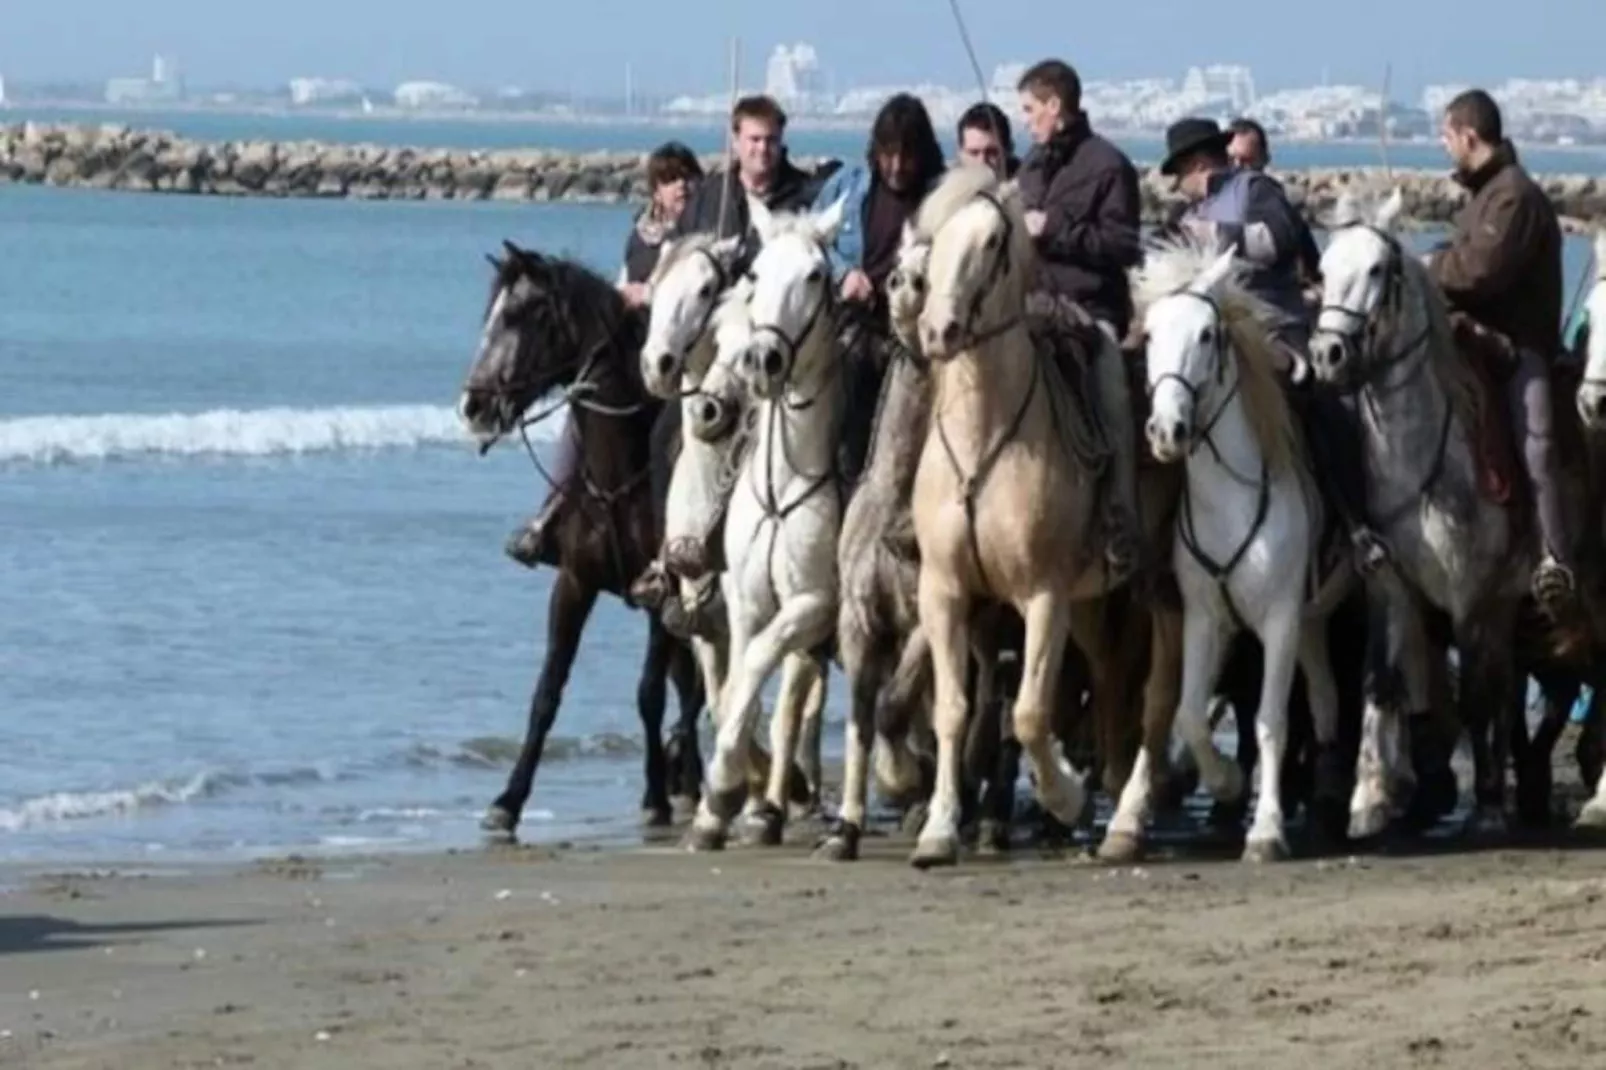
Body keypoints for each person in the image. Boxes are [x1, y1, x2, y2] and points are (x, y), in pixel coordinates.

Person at [1162, 116, 1387, 573]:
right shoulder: (1182, 215)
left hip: (1273, 330)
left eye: (1179, 175)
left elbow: (1279, 239)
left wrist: (1217, 235)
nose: (1177, 188)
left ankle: (1354, 523)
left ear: (1197, 164)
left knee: (1324, 409)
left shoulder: (1252, 190)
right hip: (1210, 339)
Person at [504, 140, 704, 569]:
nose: (680, 187)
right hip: (633, 348)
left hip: (679, 356)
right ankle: (550, 515)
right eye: (670, 180)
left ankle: (671, 535)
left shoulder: (699, 235)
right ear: (655, 189)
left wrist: (648, 293)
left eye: (687, 178)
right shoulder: (640, 234)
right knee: (583, 411)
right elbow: (622, 282)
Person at [1426, 89, 1573, 609]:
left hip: (1519, 347)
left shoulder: (1514, 196)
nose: (1444, 148)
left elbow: (1477, 272)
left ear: (1468, 136)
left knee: (1538, 442)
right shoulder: (1484, 194)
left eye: (1446, 137)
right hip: (1472, 339)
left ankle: (1555, 557)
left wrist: (1427, 267)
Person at [1014, 59, 1144, 578]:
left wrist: (1054, 230)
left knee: (1112, 392)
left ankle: (1121, 515)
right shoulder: (1028, 167)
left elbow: (1124, 245)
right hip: (1029, 312)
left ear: (1054, 106)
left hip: (1091, 314)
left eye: (1029, 109)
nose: (1024, 120)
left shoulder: (1110, 166)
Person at [810, 93, 949, 482]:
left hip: (909, 340)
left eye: (907, 156)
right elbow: (809, 238)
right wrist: (843, 275)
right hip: (853, 329)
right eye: (888, 154)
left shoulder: (939, 198)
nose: (896, 166)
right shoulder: (850, 185)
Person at [672, 94, 823, 261]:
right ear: (735, 142)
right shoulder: (708, 197)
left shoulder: (808, 197)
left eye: (771, 140)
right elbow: (676, 253)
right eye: (755, 139)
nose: (763, 148)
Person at [1227, 117, 1322, 287]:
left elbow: (1311, 269)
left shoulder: (1280, 206)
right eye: (1231, 160)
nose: (1238, 168)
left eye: (1247, 161)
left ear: (1264, 160)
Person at [955, 102, 1020, 178]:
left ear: (1008, 150)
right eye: (974, 153)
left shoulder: (1030, 186)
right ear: (960, 153)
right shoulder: (948, 188)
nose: (982, 161)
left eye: (992, 152)